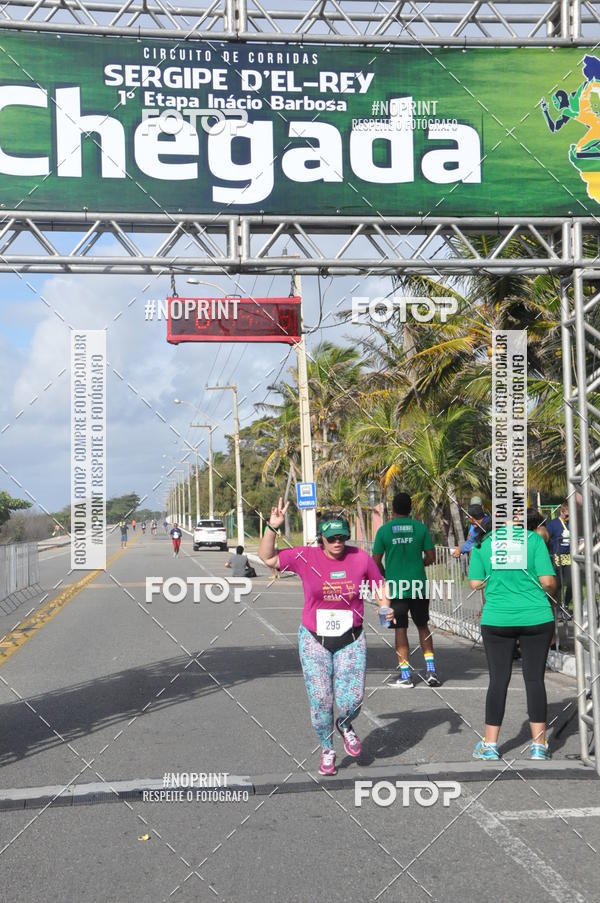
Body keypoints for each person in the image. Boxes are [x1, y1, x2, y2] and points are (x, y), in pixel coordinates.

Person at [259, 499, 387, 776]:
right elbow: (267, 558)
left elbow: (378, 583)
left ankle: (345, 723)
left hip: (351, 638)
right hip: (314, 639)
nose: (338, 543)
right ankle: (327, 748)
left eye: (342, 537)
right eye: (332, 539)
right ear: (322, 539)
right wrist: (273, 526)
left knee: (352, 698)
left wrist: (385, 606)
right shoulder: (305, 556)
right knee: (321, 699)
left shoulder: (360, 558)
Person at [468, 518, 557, 761]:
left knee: (498, 680)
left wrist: (498, 579)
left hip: (497, 618)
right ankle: (539, 746)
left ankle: (491, 745)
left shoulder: (483, 544)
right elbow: (548, 581)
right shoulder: (534, 540)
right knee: (534, 679)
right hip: (536, 616)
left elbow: (476, 583)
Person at [372, 491, 439, 688]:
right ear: (411, 509)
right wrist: (420, 564)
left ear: (392, 510)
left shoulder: (384, 531)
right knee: (423, 626)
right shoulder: (420, 528)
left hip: (395, 588)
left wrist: (385, 574)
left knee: (400, 629)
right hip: (418, 585)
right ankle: (431, 671)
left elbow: (375, 561)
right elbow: (431, 556)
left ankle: (406, 675)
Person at [547, 501, 573, 621]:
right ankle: (557, 608)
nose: (568, 518)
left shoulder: (572, 523)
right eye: (567, 515)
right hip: (556, 557)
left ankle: (566, 604)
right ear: (562, 512)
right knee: (558, 585)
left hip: (569, 557)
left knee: (572, 583)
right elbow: (546, 539)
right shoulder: (553, 524)